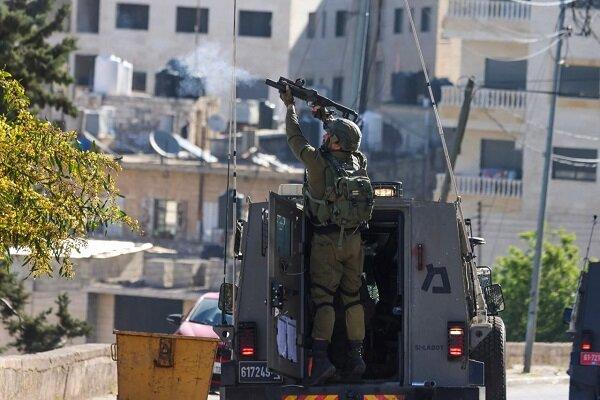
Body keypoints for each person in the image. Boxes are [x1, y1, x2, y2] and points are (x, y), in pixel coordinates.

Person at [280, 85, 372, 385]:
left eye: (329, 135)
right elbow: (346, 138)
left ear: (335, 142)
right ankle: (356, 357)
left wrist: (290, 107)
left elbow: (295, 140)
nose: (325, 137)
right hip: (354, 241)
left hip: (327, 241)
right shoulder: (358, 162)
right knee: (353, 299)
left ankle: (321, 361)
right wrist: (324, 117)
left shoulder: (318, 165)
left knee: (323, 300)